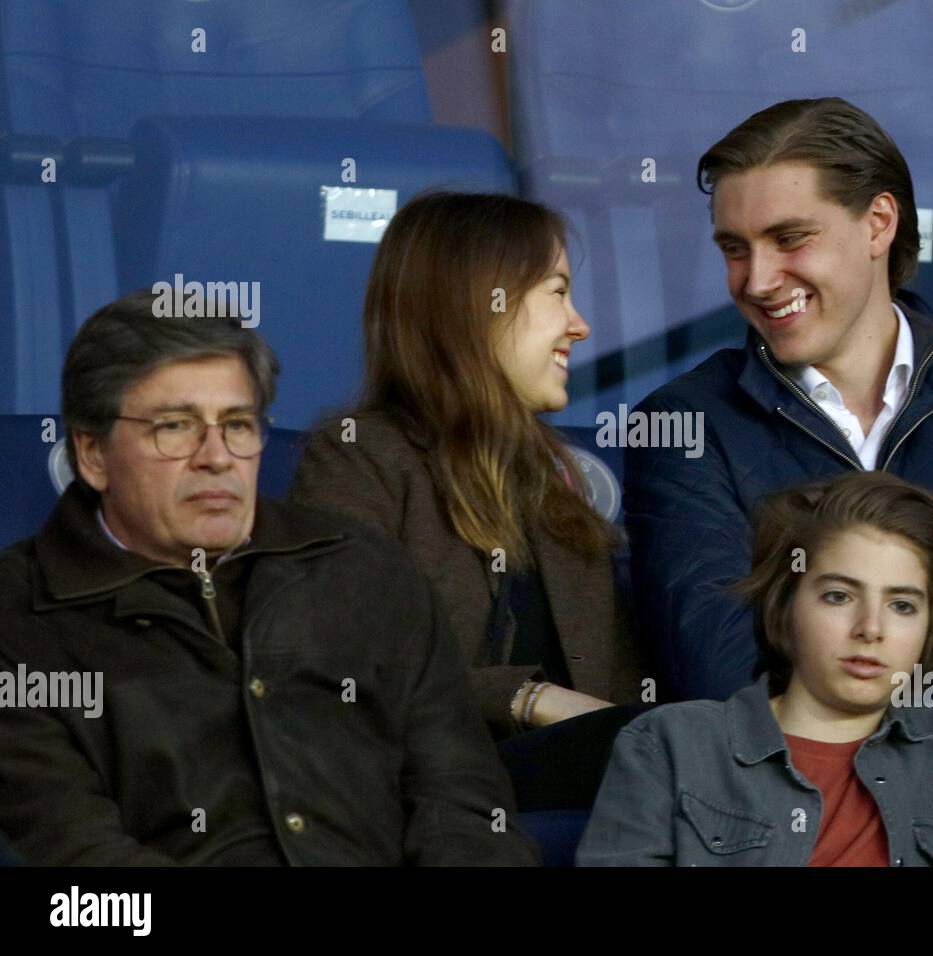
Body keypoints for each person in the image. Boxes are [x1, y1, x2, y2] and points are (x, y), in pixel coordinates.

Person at [624, 97, 933, 702]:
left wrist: (830, 606)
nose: (756, 280)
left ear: (879, 223)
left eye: (789, 238)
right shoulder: (686, 424)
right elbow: (717, 669)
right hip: (799, 792)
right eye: (735, 249)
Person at [0, 292, 537, 866]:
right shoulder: (18, 618)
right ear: (93, 454)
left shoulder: (363, 570)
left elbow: (463, 800)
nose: (217, 457)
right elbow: (73, 857)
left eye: (238, 424)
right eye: (175, 426)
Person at [289, 191, 648, 811]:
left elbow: (622, 690)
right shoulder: (357, 458)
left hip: (585, 788)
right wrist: (528, 699)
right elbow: (344, 661)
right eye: (558, 292)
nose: (579, 324)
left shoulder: (554, 483)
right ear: (483, 306)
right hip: (425, 789)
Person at [576, 470, 933, 866]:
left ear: (929, 627)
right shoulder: (671, 743)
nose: (871, 628)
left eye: (902, 606)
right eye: (838, 596)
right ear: (783, 607)